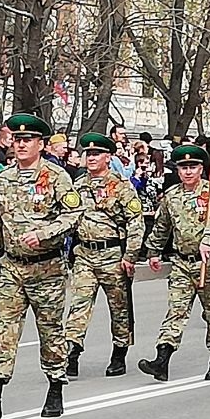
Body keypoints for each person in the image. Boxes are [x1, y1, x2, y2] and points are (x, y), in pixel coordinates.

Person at [0, 113, 84, 419]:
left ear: (41, 144)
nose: (20, 145)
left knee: (50, 331)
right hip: (12, 268)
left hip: (47, 269)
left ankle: (55, 387)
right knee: (4, 330)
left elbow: (73, 215)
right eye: (17, 139)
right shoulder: (4, 179)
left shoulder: (56, 177)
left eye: (27, 140)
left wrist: (43, 233)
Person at [137, 144, 210, 383]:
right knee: (176, 312)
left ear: (201, 168)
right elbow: (162, 226)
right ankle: (162, 360)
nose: (188, 172)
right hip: (182, 263)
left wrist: (208, 239)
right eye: (183, 167)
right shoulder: (172, 196)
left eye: (193, 167)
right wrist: (153, 251)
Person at [64, 132, 146, 378]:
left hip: (112, 255)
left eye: (96, 153)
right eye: (88, 153)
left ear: (108, 157)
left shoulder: (121, 186)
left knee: (119, 308)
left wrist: (130, 255)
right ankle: (72, 352)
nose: (91, 157)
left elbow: (135, 221)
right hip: (85, 255)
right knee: (78, 305)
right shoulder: (78, 185)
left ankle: (119, 353)